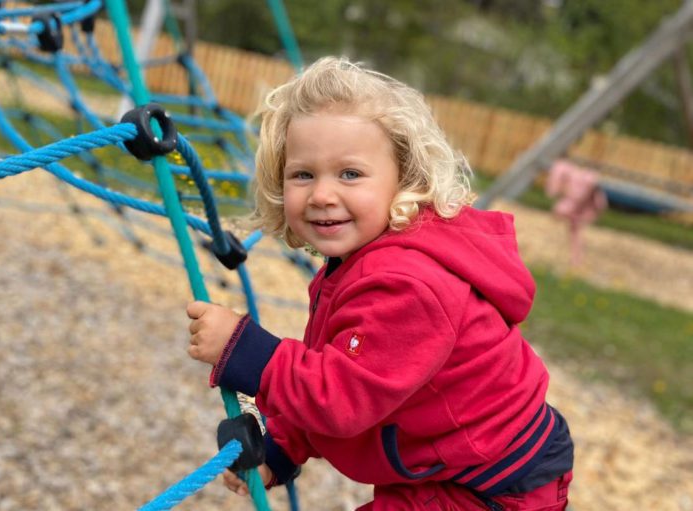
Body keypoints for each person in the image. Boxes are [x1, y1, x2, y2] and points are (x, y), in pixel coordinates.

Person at [186, 56, 574, 510]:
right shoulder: (361, 261)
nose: (323, 194)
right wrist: (283, 446)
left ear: (403, 179)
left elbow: (342, 395)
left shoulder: (407, 284)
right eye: (303, 174)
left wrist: (242, 349)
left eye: (350, 173)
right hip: (441, 463)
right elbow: (345, 368)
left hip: (496, 487)